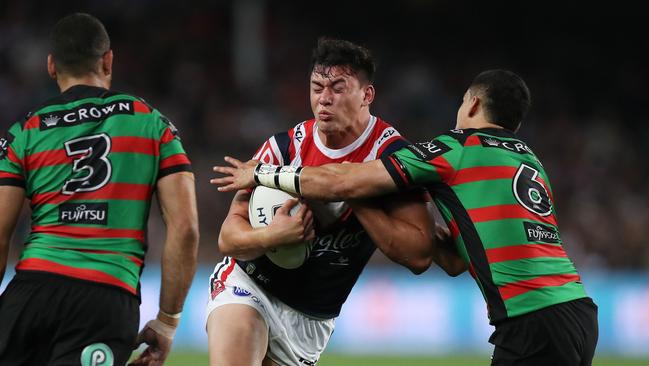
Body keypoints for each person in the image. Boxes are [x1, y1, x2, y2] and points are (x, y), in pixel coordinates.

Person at [213, 69, 599, 366]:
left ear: (475, 105)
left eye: (462, 103)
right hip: (580, 313)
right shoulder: (527, 159)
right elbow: (456, 260)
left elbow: (347, 179)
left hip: (531, 319)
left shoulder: (460, 147)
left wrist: (261, 174)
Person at [206, 38, 437, 366]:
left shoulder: (391, 158)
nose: (324, 99)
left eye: (338, 88)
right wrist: (272, 237)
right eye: (317, 87)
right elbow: (228, 239)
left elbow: (419, 255)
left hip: (312, 317)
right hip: (251, 284)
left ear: (367, 95)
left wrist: (353, 192)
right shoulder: (283, 149)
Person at [0, 13, 199, 366]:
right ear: (108, 60)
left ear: (51, 66)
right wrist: (167, 321)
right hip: (105, 299)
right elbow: (185, 230)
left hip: (32, 291)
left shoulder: (25, 131)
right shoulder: (153, 123)